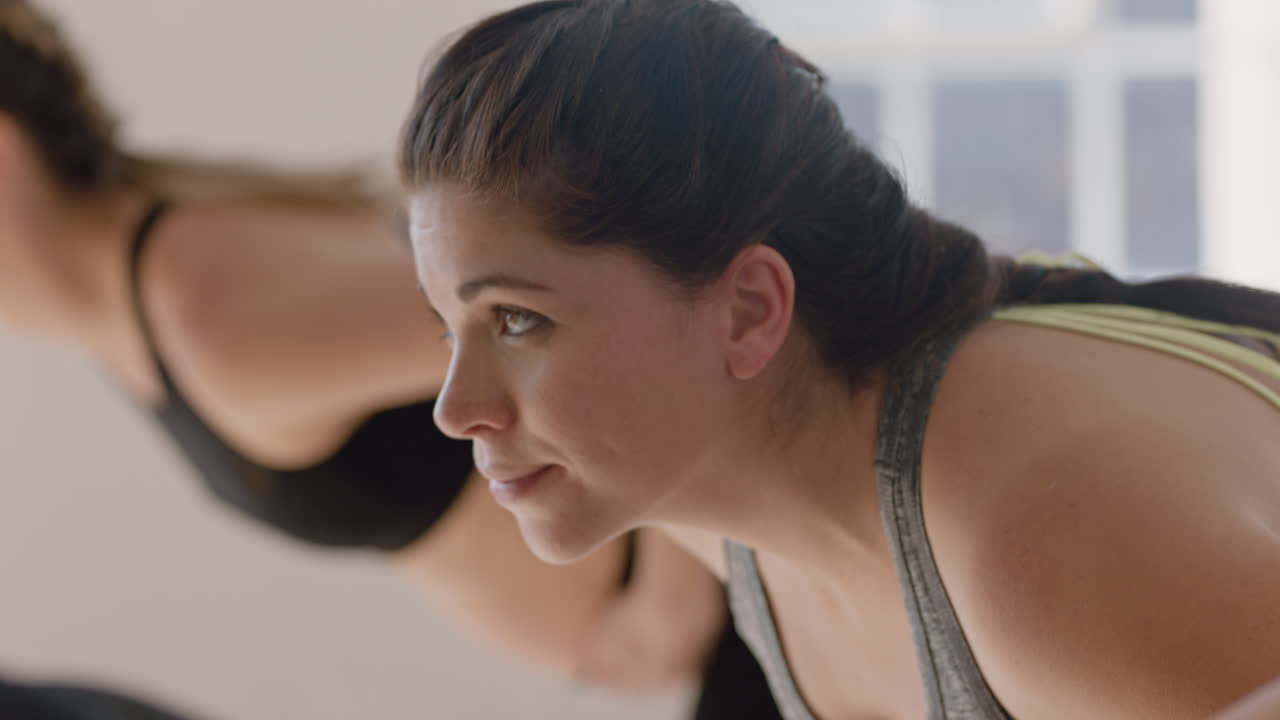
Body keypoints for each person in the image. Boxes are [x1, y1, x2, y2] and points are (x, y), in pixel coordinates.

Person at [398, 1, 1280, 718]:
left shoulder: (1049, 547)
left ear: (749, 310)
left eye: (517, 320)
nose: (454, 407)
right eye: (448, 328)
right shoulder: (722, 496)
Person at [0, 1, 784, 718]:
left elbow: (628, 315)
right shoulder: (146, 303)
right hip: (742, 607)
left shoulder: (212, 314)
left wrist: (671, 598)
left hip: (747, 600)